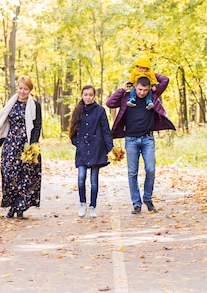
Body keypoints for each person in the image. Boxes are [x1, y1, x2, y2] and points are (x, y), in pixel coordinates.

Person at [106, 72, 175, 214]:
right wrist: (122, 89)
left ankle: (147, 198)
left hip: (148, 139)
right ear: (135, 87)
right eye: (139, 89)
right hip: (131, 140)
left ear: (149, 88)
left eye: (145, 90)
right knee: (132, 173)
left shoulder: (153, 97)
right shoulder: (127, 97)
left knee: (150, 169)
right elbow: (110, 103)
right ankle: (136, 203)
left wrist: (147, 72)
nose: (142, 93)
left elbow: (165, 80)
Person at [0, 76, 42, 219]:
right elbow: (4, 123)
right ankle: (12, 204)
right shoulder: (11, 103)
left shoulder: (35, 106)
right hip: (11, 143)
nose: (22, 91)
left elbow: (37, 126)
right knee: (8, 174)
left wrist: (33, 146)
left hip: (26, 144)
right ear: (17, 88)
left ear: (30, 90)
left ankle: (20, 207)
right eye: (20, 88)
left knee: (24, 176)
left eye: (26, 89)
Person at [69, 85, 114, 218]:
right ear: (82, 95)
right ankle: (82, 203)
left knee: (94, 180)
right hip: (82, 149)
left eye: (90, 95)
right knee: (81, 177)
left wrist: (110, 148)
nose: (88, 97)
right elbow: (72, 130)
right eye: (85, 95)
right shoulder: (78, 110)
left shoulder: (100, 111)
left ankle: (92, 206)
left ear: (94, 96)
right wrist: (78, 143)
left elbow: (106, 130)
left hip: (96, 149)